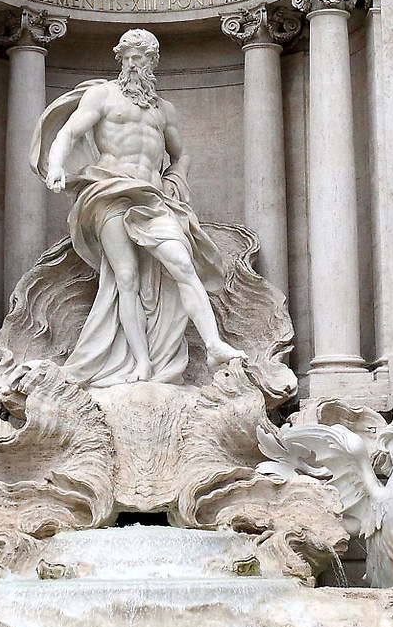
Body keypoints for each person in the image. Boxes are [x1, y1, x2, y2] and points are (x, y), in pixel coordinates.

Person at [34, 29, 246, 385]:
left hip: (152, 197)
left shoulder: (164, 110)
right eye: (128, 57)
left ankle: (213, 345)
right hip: (109, 191)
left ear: (153, 62)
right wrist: (56, 165)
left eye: (141, 58)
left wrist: (175, 179)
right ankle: (142, 362)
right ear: (120, 59)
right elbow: (68, 133)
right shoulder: (103, 95)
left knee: (182, 262)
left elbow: (181, 154)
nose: (133, 64)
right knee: (127, 278)